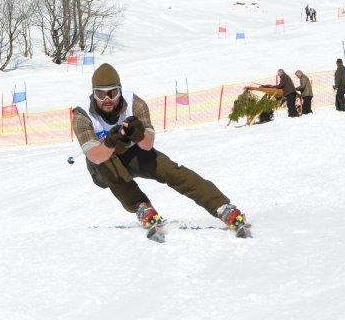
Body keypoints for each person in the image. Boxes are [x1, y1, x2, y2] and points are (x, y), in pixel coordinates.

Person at [71, 63, 249, 237]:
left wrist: (139, 135)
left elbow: (147, 145)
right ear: (93, 94)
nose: (107, 100)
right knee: (108, 165)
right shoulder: (82, 115)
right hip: (102, 163)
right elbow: (95, 156)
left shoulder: (135, 104)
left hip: (130, 152)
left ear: (120, 90)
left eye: (112, 93)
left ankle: (222, 207)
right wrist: (109, 143)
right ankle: (142, 207)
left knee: (170, 169)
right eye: (100, 94)